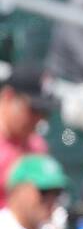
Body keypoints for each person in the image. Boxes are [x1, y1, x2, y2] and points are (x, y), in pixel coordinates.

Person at [0, 65, 52, 207]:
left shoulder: (37, 147)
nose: (38, 118)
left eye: (43, 112)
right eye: (33, 110)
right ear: (8, 97)